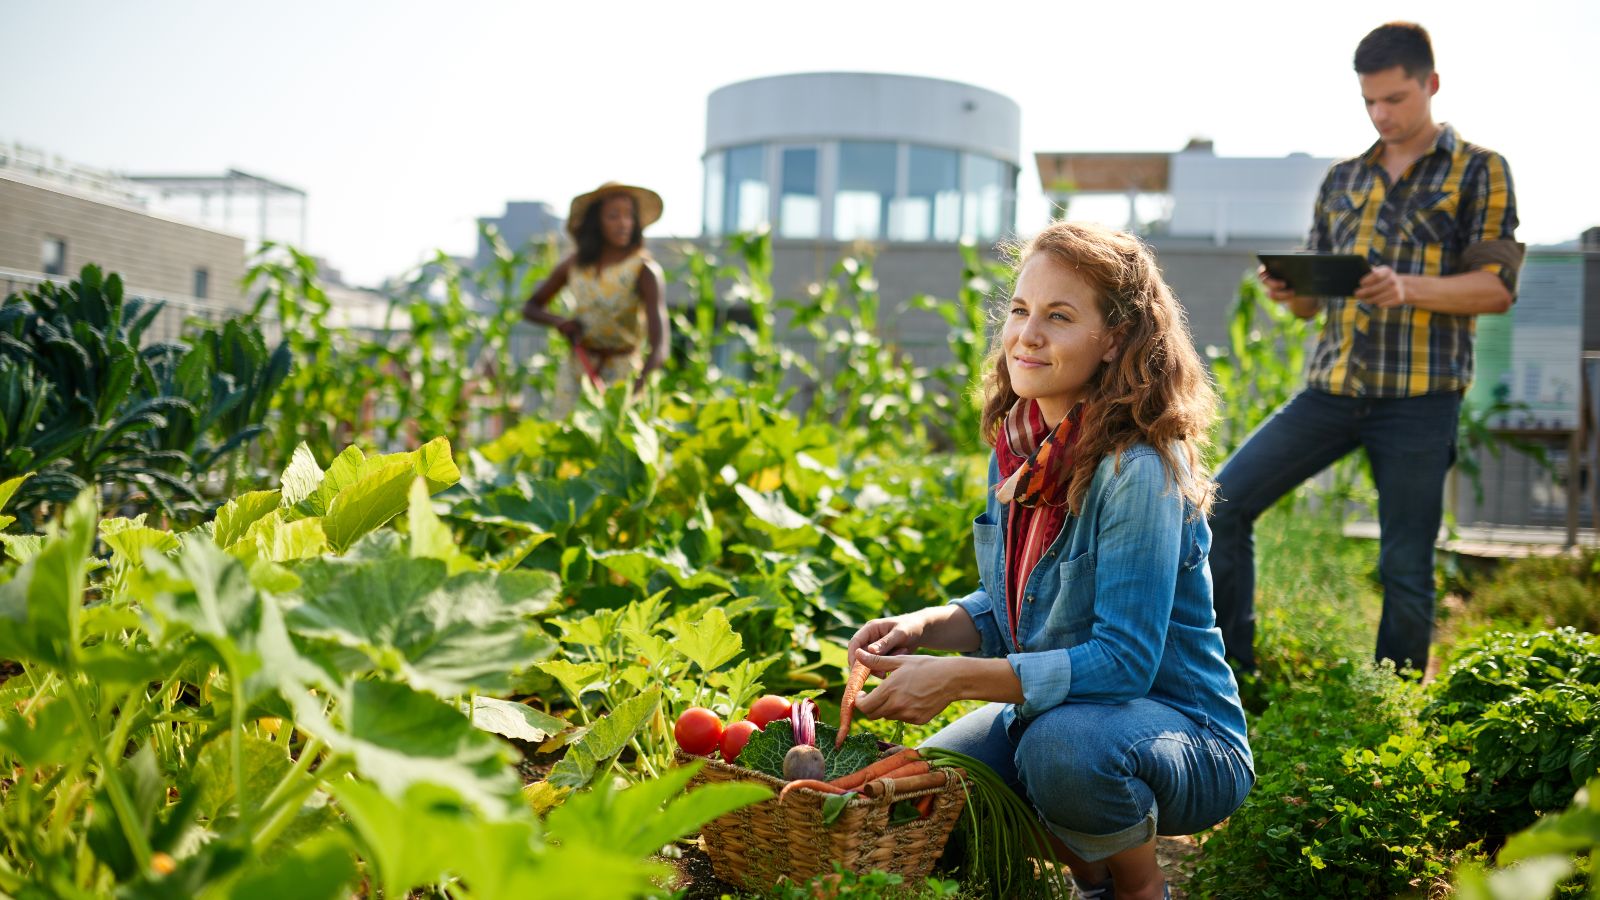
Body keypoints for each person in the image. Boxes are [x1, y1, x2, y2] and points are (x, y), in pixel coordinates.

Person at [846, 222, 1254, 900]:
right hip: (1061, 714)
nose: (1026, 335)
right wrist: (924, 627)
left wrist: (954, 682)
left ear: (1115, 339)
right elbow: (1018, 606)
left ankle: (1134, 885)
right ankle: (1089, 859)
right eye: (1019, 310)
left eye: (1059, 317)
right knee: (936, 786)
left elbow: (1124, 663)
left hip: (1181, 733)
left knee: (1060, 752)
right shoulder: (1021, 451)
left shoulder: (1138, 470)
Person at [1209, 22, 1522, 677]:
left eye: (1396, 99)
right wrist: (1289, 290)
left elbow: (1494, 289)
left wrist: (1406, 287)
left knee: (1404, 565)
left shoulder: (1479, 171)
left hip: (1419, 399)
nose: (1382, 115)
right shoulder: (1343, 180)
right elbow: (1312, 303)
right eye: (1370, 102)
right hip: (1331, 391)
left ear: (1431, 85)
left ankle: (1394, 704)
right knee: (1220, 504)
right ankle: (1231, 677)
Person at [522, 182, 669, 416]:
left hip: (623, 375)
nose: (624, 223)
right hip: (578, 369)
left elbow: (660, 346)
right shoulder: (575, 265)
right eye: (613, 216)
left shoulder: (644, 270)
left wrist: (636, 389)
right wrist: (560, 323)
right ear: (596, 222)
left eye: (629, 216)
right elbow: (530, 307)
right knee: (566, 441)